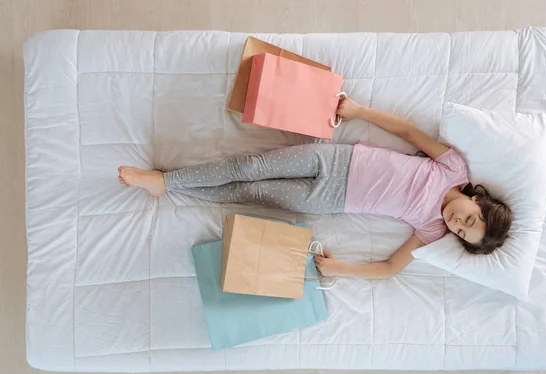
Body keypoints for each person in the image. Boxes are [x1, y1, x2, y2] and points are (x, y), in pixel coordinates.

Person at [118, 97, 513, 279]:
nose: (455, 222)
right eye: (468, 218)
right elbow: (408, 131)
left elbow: (392, 268)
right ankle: (165, 181)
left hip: (328, 199)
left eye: (461, 232)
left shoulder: (432, 229)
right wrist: (360, 112)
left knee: (247, 192)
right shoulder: (452, 167)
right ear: (476, 198)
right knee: (250, 167)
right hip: (337, 160)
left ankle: (167, 187)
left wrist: (340, 268)